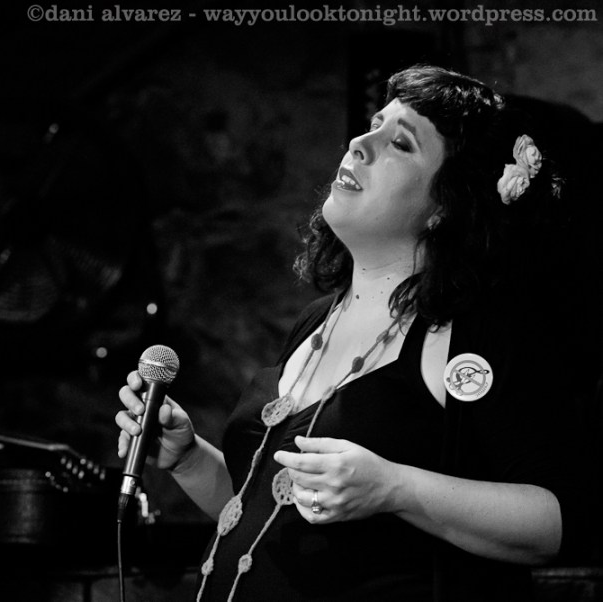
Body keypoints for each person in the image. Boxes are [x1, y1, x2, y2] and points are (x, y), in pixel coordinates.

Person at [115, 64, 589, 601]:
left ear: (445, 206)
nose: (360, 144)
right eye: (373, 125)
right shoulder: (317, 320)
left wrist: (395, 487)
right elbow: (271, 512)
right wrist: (189, 459)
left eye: (400, 143)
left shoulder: (473, 331)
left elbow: (561, 520)